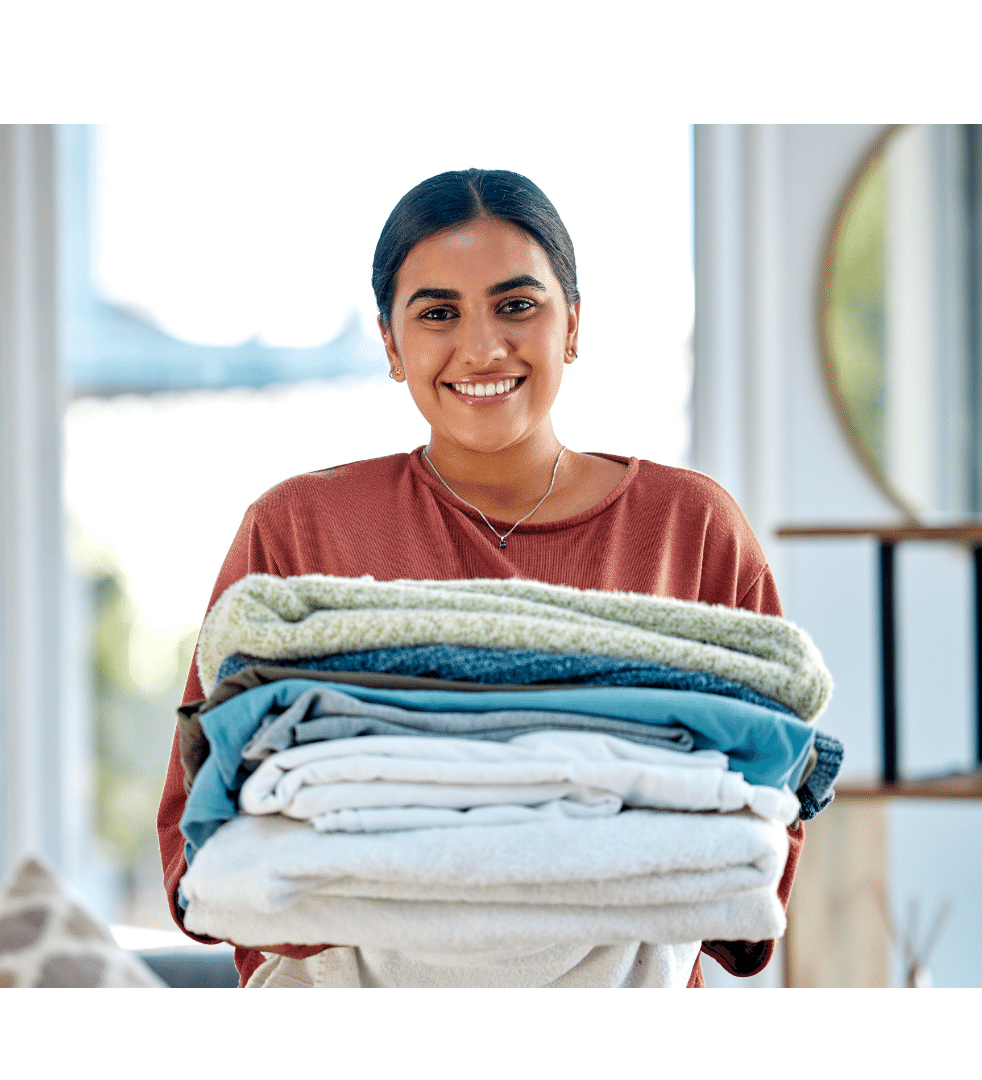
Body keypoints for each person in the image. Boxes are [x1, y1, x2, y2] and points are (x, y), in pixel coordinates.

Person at [155, 168, 802, 987]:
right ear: (392, 343)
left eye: (518, 304)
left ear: (573, 324)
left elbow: (768, 798)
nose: (483, 346)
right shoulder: (297, 530)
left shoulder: (689, 527)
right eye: (437, 314)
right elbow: (197, 825)